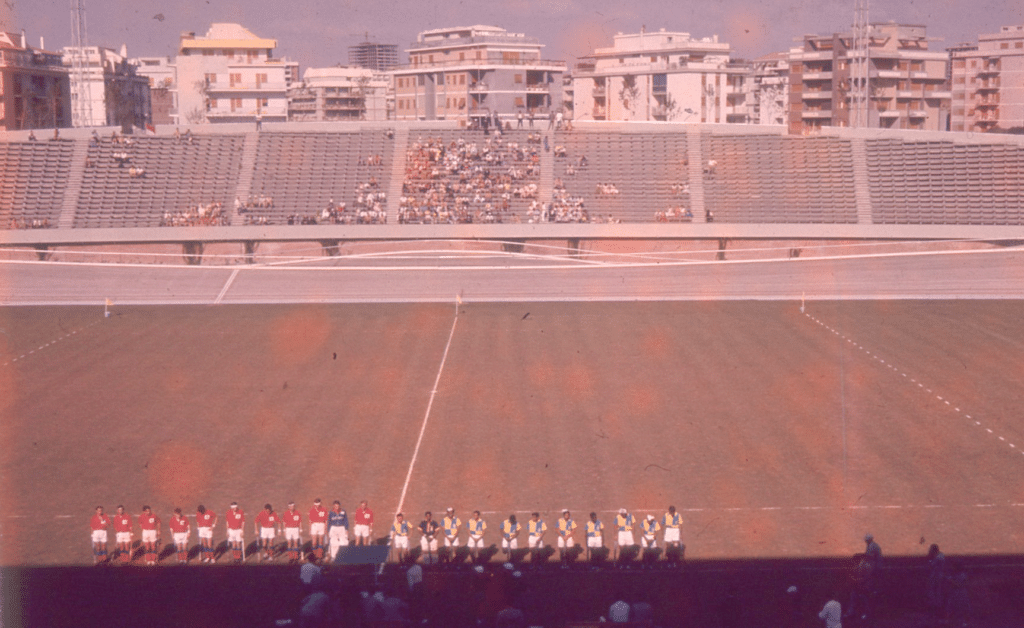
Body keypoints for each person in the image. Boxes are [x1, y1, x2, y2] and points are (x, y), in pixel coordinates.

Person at [927, 543, 947, 613]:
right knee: (937, 592)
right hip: (938, 576)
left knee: (937, 593)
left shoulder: (938, 557)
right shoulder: (941, 556)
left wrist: (930, 559)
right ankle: (937, 608)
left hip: (937, 577)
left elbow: (931, 565)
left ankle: (937, 609)